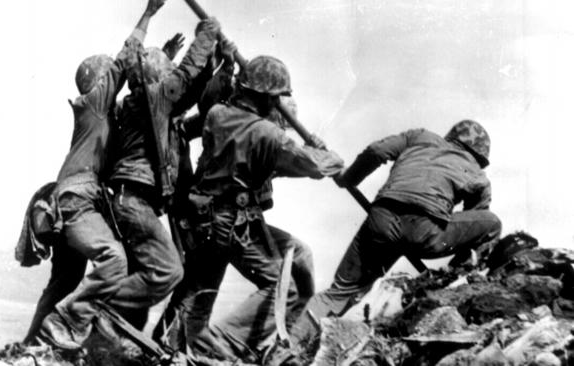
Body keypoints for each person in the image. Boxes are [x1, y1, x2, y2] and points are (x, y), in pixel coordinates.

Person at [267, 120, 502, 365]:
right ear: (479, 154)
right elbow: (474, 223)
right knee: (491, 223)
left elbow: (376, 151)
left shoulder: (419, 136)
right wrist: (460, 266)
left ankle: (286, 350)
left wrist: (350, 179)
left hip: (381, 221)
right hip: (426, 232)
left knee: (339, 292)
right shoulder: (477, 174)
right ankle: (458, 280)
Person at [157, 55, 343, 361]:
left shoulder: (217, 114)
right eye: (276, 98)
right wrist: (330, 155)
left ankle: (168, 345)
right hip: (234, 223)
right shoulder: (267, 134)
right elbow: (313, 165)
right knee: (288, 287)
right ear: (267, 97)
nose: (278, 104)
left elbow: (249, 160)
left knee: (200, 289)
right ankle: (221, 344)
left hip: (204, 218)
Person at [32, 0, 167, 349]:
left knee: (64, 279)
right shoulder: (93, 104)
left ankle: (33, 345)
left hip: (75, 199)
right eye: (109, 78)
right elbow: (125, 60)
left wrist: (158, 62)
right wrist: (148, 14)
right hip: (78, 200)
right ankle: (67, 324)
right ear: (97, 81)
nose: (115, 83)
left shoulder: (102, 116)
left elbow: (145, 92)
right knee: (114, 259)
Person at [102, 15, 222, 331]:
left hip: (134, 202)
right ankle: (96, 305)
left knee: (142, 277)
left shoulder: (146, 106)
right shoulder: (151, 99)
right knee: (168, 270)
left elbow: (189, 91)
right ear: (156, 78)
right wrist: (206, 36)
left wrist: (211, 62)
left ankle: (114, 339)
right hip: (135, 202)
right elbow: (182, 79)